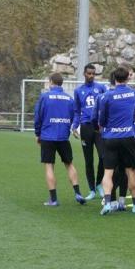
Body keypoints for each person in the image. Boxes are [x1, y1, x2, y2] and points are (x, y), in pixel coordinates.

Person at [34, 72, 86, 206]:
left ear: (51, 82)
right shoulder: (69, 99)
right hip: (63, 136)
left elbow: (38, 116)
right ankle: (78, 193)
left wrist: (37, 133)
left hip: (47, 136)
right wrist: (71, 126)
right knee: (69, 164)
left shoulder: (45, 97)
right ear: (61, 83)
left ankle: (53, 199)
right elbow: (76, 114)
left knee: (49, 166)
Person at [98, 67, 135, 215]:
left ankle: (107, 203)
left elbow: (102, 119)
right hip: (128, 137)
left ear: (114, 79)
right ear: (128, 78)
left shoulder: (106, 96)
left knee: (108, 172)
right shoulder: (133, 93)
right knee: (131, 170)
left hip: (110, 138)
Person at [72, 64, 107, 200]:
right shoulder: (78, 91)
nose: (91, 76)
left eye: (93, 74)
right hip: (86, 126)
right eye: (89, 73)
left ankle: (99, 183)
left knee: (103, 157)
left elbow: (106, 106)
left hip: (98, 127)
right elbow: (76, 110)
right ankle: (92, 189)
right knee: (88, 160)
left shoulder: (101, 88)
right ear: (84, 74)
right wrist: (74, 126)